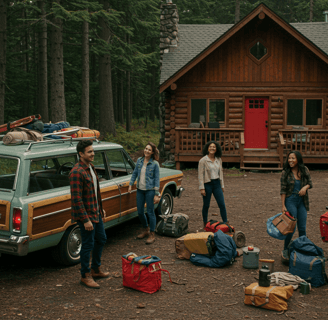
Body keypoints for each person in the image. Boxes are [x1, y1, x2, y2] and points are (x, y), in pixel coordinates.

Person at [69, 140, 109, 289]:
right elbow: (76, 199)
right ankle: (85, 275)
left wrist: (100, 208)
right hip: (85, 216)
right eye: (89, 151)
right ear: (81, 154)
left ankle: (96, 269)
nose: (93, 154)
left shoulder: (90, 167)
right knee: (87, 245)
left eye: (93, 151)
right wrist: (85, 220)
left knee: (102, 239)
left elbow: (95, 191)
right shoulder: (76, 172)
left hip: (95, 212)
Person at [280, 150, 313, 263]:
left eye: (293, 158)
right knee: (291, 228)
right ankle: (285, 250)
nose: (290, 160)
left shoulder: (304, 170)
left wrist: (305, 188)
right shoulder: (285, 172)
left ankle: (303, 250)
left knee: (302, 228)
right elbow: (283, 189)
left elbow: (310, 183)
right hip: (291, 200)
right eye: (289, 158)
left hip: (302, 201)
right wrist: (283, 205)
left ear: (298, 159)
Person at [128, 142, 161, 244]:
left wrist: (156, 193)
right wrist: (130, 184)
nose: (147, 151)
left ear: (152, 152)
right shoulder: (139, 160)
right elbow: (135, 173)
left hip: (150, 190)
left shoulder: (155, 164)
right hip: (140, 190)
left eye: (149, 150)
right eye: (146, 149)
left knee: (150, 212)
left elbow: (156, 179)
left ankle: (152, 234)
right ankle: (146, 229)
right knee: (140, 212)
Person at [198, 141, 228, 228]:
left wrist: (222, 185)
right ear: (207, 148)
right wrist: (202, 188)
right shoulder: (203, 160)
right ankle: (205, 223)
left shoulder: (219, 159)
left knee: (222, 204)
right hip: (207, 184)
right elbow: (200, 175)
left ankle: (225, 222)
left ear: (216, 149)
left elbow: (221, 173)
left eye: (214, 147)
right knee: (206, 205)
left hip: (217, 184)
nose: (212, 148)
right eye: (210, 147)